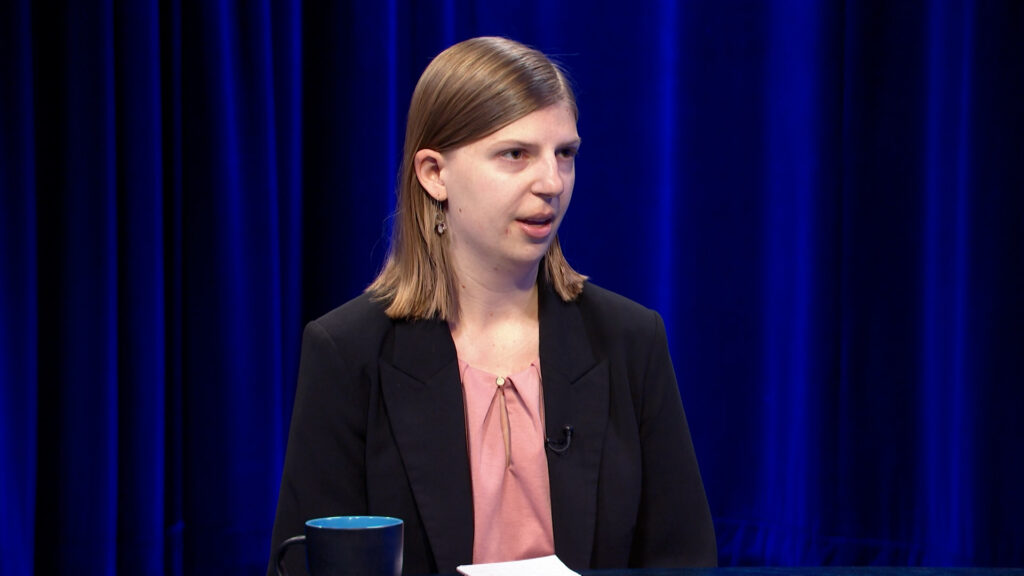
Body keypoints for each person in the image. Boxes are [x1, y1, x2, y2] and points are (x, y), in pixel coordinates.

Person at [267, 36, 716, 576]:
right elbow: (308, 567)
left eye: (565, 155)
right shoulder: (347, 351)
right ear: (435, 174)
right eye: (515, 154)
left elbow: (682, 560)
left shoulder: (629, 339)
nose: (552, 183)